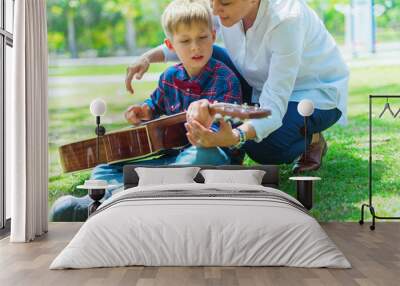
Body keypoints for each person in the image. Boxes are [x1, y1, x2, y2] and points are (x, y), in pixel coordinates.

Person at [49, 0, 242, 222]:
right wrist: (143, 111)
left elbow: (222, 132)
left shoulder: (225, 79)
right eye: (185, 41)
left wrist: (207, 131)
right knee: (105, 163)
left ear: (213, 36)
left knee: (199, 156)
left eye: (202, 38)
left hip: (209, 155)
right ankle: (101, 197)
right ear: (170, 46)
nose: (195, 47)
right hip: (169, 160)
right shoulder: (169, 78)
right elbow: (153, 106)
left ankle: (118, 199)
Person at [126, 0, 349, 174]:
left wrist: (234, 137)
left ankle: (312, 139)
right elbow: (194, 35)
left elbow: (274, 106)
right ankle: (221, 130)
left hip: (310, 95)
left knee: (262, 147)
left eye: (224, 3)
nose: (214, 9)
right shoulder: (223, 7)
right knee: (211, 54)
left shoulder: (287, 22)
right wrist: (147, 57)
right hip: (260, 85)